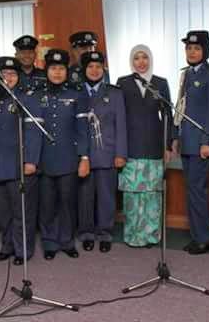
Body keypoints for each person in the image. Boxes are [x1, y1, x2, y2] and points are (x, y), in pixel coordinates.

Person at [0, 56, 43, 265]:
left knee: (21, 212)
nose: (8, 77)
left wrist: (31, 161)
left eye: (13, 74)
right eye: (4, 74)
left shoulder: (26, 99)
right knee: (2, 212)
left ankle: (22, 249)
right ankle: (7, 246)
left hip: (18, 164)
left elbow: (34, 132)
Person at [116, 44, 172, 248]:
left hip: (154, 146)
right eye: (137, 58)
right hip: (130, 147)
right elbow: (118, 116)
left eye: (145, 57)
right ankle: (133, 235)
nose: (141, 62)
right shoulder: (123, 83)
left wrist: (168, 145)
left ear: (150, 59)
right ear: (132, 61)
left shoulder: (160, 83)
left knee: (152, 194)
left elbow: (168, 116)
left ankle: (150, 235)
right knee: (132, 195)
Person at [172, 30, 209, 255]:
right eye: (189, 48)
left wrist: (207, 141)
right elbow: (180, 108)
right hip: (187, 141)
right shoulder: (186, 74)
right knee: (192, 190)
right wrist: (175, 137)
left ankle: (204, 238)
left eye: (197, 48)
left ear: (205, 50)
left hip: (201, 143)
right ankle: (198, 235)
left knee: (197, 191)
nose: (192, 52)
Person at [36, 49, 89, 260]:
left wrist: (84, 157)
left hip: (69, 158)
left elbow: (82, 129)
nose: (57, 72)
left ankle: (67, 241)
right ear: (46, 70)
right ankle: (49, 242)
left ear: (67, 71)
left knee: (67, 202)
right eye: (53, 68)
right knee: (47, 204)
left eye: (61, 68)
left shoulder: (76, 95)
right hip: (44, 159)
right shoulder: (37, 96)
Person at [77, 51, 127, 253]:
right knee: (85, 197)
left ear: (103, 69)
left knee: (106, 196)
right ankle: (87, 233)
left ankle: (105, 232)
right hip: (83, 154)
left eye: (98, 66)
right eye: (90, 66)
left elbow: (121, 125)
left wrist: (121, 154)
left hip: (107, 152)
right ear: (84, 69)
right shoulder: (76, 92)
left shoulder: (114, 93)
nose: (94, 70)